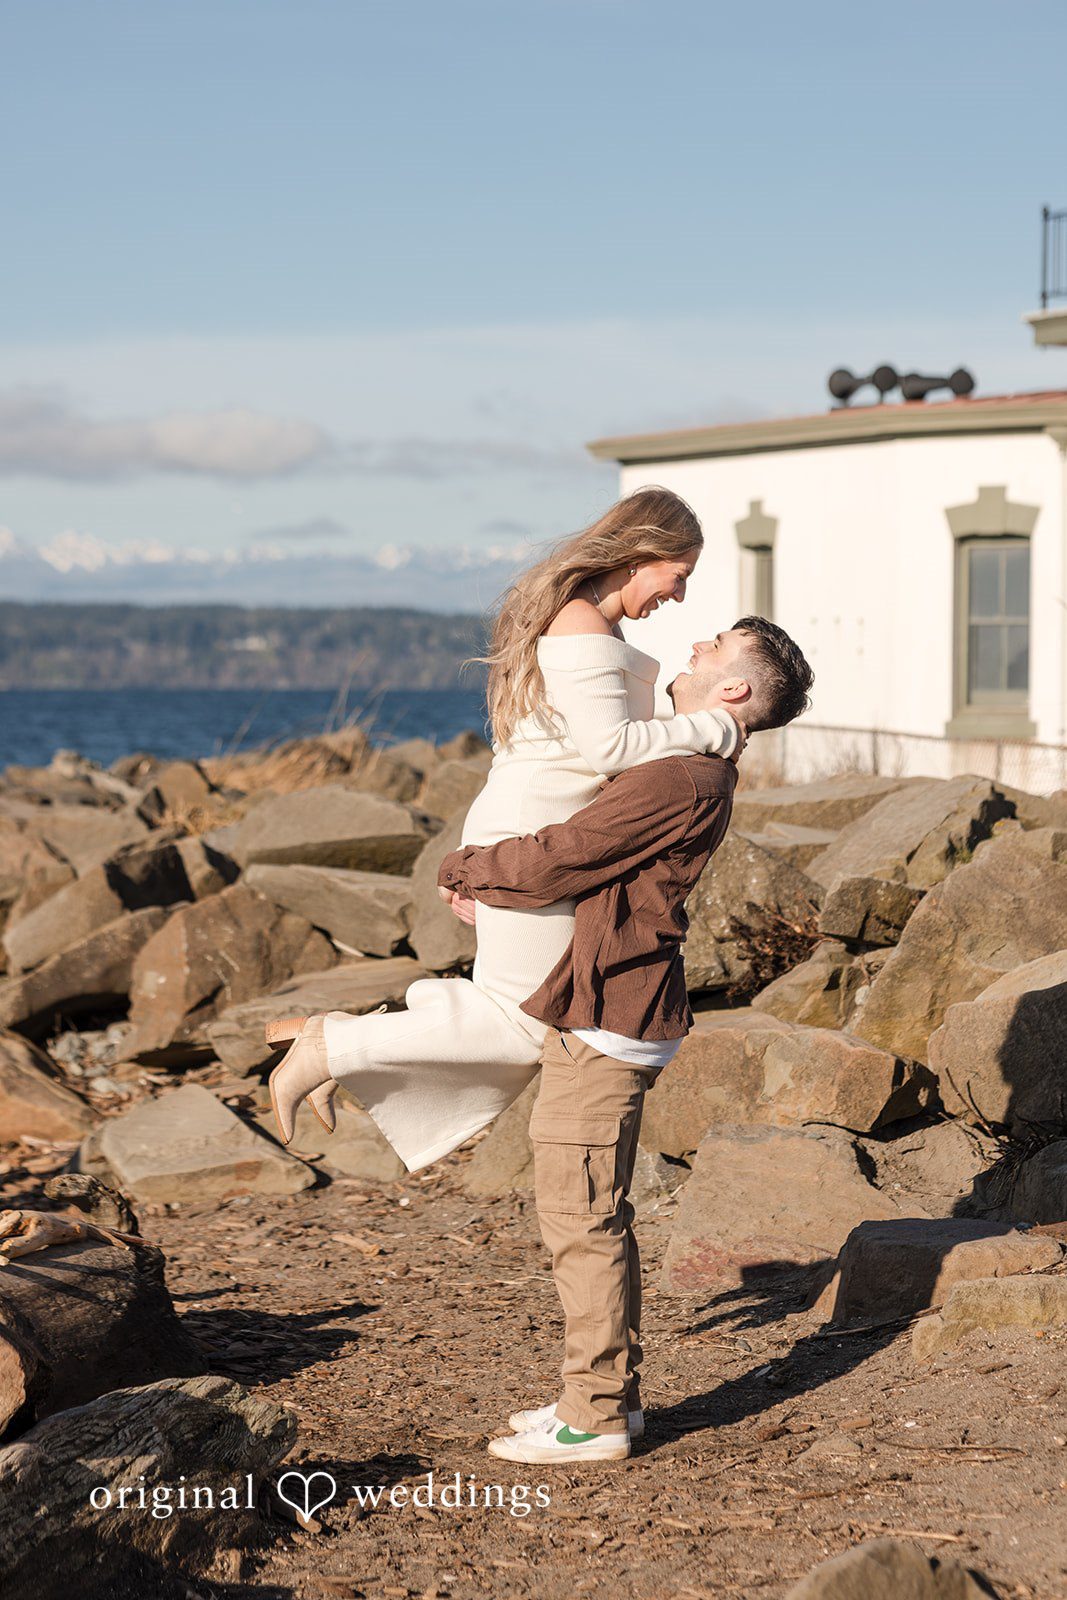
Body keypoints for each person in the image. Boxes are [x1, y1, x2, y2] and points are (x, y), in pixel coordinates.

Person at [266, 487, 746, 1169]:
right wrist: (718, 726)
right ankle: (332, 1047)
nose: (679, 594)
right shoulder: (580, 624)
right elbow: (610, 749)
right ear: (645, 552)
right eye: (680, 575)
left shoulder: (591, 625)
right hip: (532, 827)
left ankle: (337, 1043)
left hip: (533, 824)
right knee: (524, 1024)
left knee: (517, 1012)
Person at [435, 618, 814, 1463]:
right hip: (608, 1004)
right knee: (588, 1210)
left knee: (582, 1216)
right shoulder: (683, 765)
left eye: (713, 648)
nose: (692, 647)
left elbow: (561, 859)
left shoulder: (681, 776)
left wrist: (463, 869)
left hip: (612, 1013)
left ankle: (597, 1416)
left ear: (735, 692)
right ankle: (603, 1399)